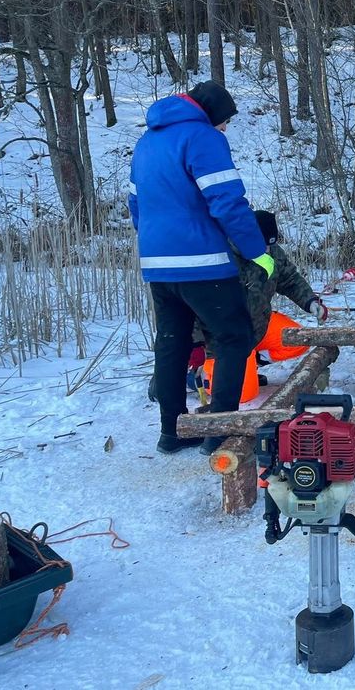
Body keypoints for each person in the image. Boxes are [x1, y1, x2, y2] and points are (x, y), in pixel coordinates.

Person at [129, 81, 274, 454]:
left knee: (172, 341)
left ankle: (172, 431)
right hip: (202, 260)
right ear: (212, 115)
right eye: (224, 121)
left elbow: (135, 205)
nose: (225, 129)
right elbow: (227, 201)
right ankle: (219, 430)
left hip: (157, 263)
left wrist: (156, 243)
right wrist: (256, 250)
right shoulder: (203, 138)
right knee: (233, 336)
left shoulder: (147, 142)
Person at [199, 210, 326, 405]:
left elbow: (290, 280)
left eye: (270, 244)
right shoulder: (219, 256)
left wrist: (310, 302)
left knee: (299, 339)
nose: (267, 249)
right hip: (225, 340)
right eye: (263, 244)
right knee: (242, 395)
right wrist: (196, 346)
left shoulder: (272, 252)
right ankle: (196, 377)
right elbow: (194, 305)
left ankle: (251, 363)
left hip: (259, 326)